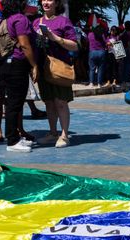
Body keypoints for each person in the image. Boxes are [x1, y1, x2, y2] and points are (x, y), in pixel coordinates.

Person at [33, 0, 78, 148]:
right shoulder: (36, 22)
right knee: (49, 102)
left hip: (59, 68)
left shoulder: (63, 21)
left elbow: (75, 45)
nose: (46, 2)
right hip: (43, 68)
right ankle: (53, 133)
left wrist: (56, 38)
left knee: (61, 102)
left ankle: (64, 135)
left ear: (56, 3)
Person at [0, 0, 39, 153]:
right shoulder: (21, 19)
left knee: (13, 103)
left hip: (6, 64)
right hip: (17, 65)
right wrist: (34, 65)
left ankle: (14, 136)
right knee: (15, 103)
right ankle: (13, 140)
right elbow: (25, 44)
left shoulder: (6, 20)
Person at [87, 23, 106, 87]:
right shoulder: (102, 35)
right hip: (101, 52)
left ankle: (91, 83)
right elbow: (105, 43)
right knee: (100, 69)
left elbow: (87, 41)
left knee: (92, 68)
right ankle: (99, 84)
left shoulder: (90, 34)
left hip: (92, 52)